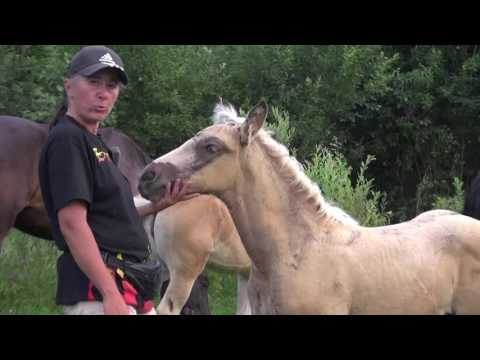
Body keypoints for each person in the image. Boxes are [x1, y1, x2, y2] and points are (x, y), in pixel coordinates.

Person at [39, 45, 189, 315]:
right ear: (69, 87)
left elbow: (113, 213)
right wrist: (109, 293)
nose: (103, 93)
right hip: (98, 289)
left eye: (111, 86)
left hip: (128, 284)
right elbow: (72, 223)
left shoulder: (94, 143)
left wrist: (159, 204)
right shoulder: (67, 140)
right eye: (93, 81)